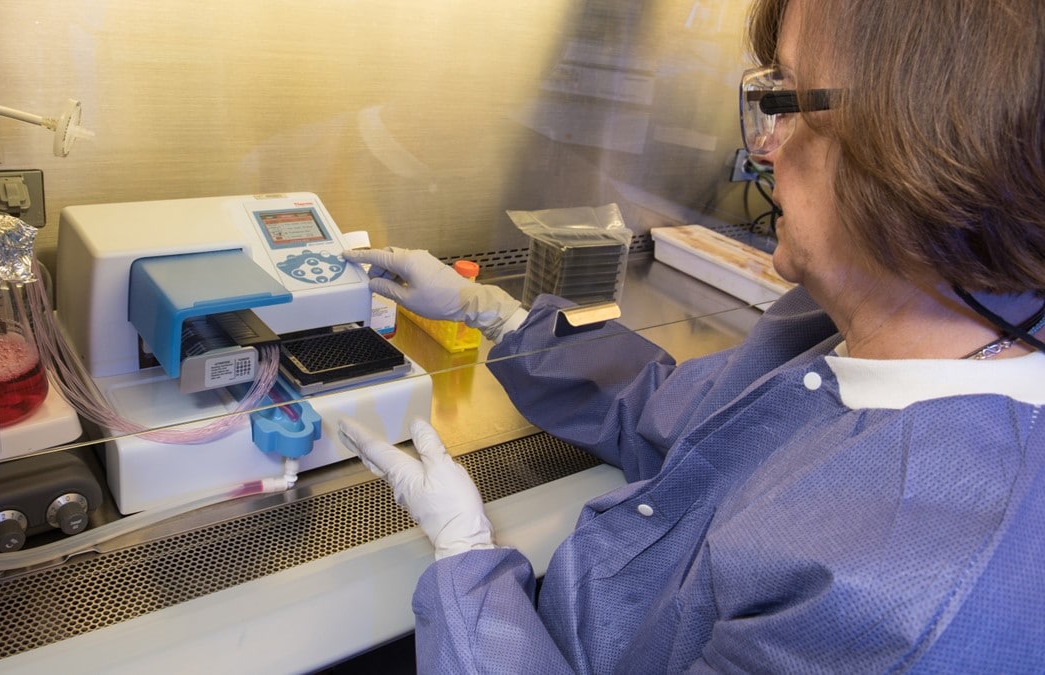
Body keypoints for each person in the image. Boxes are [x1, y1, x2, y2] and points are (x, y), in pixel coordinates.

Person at [337, 0, 1045, 671]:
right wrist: (489, 310)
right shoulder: (845, 331)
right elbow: (679, 409)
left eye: (785, 100)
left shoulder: (892, 606)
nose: (764, 150)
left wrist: (466, 564)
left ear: (920, 146)